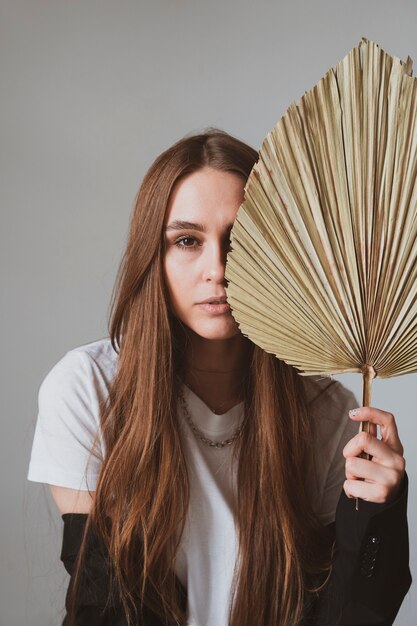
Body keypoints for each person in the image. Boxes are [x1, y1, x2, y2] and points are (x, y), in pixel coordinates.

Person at [28, 129, 411, 626]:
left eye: (241, 241)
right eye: (187, 241)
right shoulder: (89, 390)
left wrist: (376, 515)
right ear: (154, 256)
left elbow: (351, 614)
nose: (218, 269)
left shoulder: (328, 413)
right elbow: (103, 607)